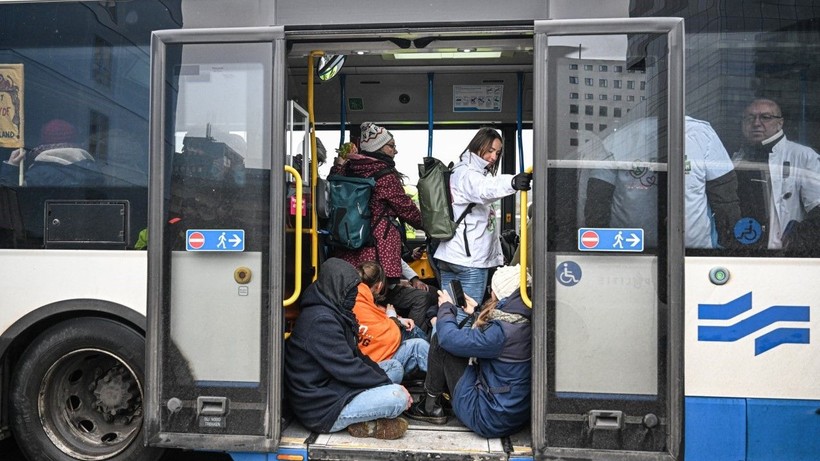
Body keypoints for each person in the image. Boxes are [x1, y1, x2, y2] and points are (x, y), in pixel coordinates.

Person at [284, 258, 412, 439]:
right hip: (322, 408)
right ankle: (360, 418)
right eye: (351, 292)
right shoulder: (320, 321)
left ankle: (365, 421)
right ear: (337, 289)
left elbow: (357, 356)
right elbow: (348, 367)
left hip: (336, 387)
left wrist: (384, 380)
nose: (354, 297)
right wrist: (388, 386)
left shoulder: (334, 311)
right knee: (397, 397)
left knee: (394, 367)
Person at [330, 122, 437, 333]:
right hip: (378, 252)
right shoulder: (384, 175)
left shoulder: (347, 169)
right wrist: (431, 225)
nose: (395, 150)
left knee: (358, 297)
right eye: (391, 146)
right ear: (379, 148)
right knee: (401, 296)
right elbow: (406, 209)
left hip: (350, 249)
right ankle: (404, 339)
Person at [404, 264, 532, 438]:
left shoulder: (501, 333)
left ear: (501, 296)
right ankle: (438, 399)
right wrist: (476, 312)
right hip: (511, 412)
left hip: (488, 417)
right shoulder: (522, 321)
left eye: (491, 290)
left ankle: (430, 406)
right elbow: (488, 339)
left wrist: (446, 309)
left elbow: (449, 339)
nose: (490, 293)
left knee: (441, 342)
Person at [583, 116, 740, 249]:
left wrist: (598, 248)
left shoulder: (619, 138)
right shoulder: (701, 134)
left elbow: (597, 199)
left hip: (628, 248)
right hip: (689, 253)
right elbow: (725, 199)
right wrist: (729, 250)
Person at [433, 127, 532, 324]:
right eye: (490, 150)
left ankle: (438, 353)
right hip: (469, 259)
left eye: (497, 152)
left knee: (447, 312)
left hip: (451, 254)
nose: (494, 157)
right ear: (478, 146)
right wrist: (513, 182)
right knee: (464, 317)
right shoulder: (468, 173)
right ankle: (452, 354)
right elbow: (485, 188)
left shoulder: (461, 170)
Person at [732, 98, 820, 254]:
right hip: (741, 251)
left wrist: (799, 239)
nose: (756, 123)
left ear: (780, 123)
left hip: (782, 256)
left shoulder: (803, 156)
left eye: (765, 117)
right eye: (750, 118)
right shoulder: (736, 159)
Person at [354, 262, 429, 376]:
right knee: (415, 337)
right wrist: (394, 318)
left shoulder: (353, 298)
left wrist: (398, 318)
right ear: (379, 286)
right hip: (377, 362)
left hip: (362, 360)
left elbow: (375, 314)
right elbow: (388, 336)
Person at [0, 119, 105, 187]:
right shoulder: (93, 170)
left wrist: (11, 166)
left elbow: (10, 199)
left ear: (43, 143)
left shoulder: (39, 174)